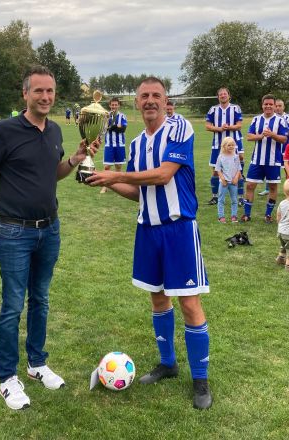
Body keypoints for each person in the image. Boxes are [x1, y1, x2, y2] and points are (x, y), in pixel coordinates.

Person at [0, 66, 99, 411]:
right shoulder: (4, 131)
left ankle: (37, 363)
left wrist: (74, 159)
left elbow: (52, 174)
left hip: (49, 229)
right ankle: (8, 377)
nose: (45, 97)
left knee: (40, 299)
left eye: (50, 91)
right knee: (12, 306)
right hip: (14, 231)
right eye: (38, 91)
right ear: (25, 94)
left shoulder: (54, 130)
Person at [87, 77, 212, 410]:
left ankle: (200, 379)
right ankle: (168, 363)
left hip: (179, 229)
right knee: (157, 299)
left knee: (188, 303)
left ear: (165, 99)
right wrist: (105, 179)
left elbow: (163, 175)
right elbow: (136, 192)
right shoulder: (136, 144)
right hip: (148, 230)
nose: (151, 100)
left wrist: (116, 175)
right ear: (136, 103)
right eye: (144, 96)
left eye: (156, 95)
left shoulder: (179, 128)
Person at [241, 94, 288, 223]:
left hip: (273, 161)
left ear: (274, 106)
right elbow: (249, 136)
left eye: (270, 104)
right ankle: (247, 214)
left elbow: (284, 139)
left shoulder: (281, 120)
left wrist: (272, 134)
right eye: (265, 104)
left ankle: (268, 215)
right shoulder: (256, 119)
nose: (268, 106)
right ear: (262, 105)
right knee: (250, 185)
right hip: (257, 160)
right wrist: (260, 136)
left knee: (273, 187)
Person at [205, 87, 244, 205]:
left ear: (229, 95)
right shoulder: (213, 109)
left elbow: (239, 125)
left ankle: (241, 198)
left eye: (225, 94)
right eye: (220, 94)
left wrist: (229, 127)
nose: (223, 96)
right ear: (218, 97)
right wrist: (219, 128)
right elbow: (207, 126)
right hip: (217, 145)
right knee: (215, 171)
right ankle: (215, 197)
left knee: (237, 171)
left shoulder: (235, 108)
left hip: (232, 144)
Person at [258, 99, 289, 195]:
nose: (278, 108)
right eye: (277, 106)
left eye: (280, 106)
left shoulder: (287, 118)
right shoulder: (271, 119)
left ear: (284, 107)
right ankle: (267, 189)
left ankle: (287, 188)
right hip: (274, 149)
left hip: (286, 148)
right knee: (270, 167)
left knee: (286, 168)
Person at [100, 97, 128, 194]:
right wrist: (115, 127)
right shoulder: (106, 116)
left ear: (119, 105)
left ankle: (118, 185)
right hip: (109, 145)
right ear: (110, 105)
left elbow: (122, 129)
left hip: (120, 144)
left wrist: (111, 127)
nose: (114, 106)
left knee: (118, 166)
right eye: (112, 104)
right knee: (107, 166)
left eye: (116, 105)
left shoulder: (122, 116)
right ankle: (105, 186)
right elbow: (104, 129)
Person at [215, 137, 242, 223]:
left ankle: (234, 216)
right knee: (221, 199)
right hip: (224, 182)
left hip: (233, 182)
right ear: (224, 146)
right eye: (229, 145)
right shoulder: (220, 157)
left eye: (232, 145)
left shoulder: (236, 157)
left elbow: (238, 169)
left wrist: (236, 178)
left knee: (234, 200)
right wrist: (222, 179)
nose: (231, 147)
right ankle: (221, 216)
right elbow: (218, 169)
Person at [275, 179, 289, 270]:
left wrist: (279, 225)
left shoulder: (282, 203)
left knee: (283, 246)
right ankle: (288, 265)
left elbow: (278, 217)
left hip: (281, 231)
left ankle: (280, 258)